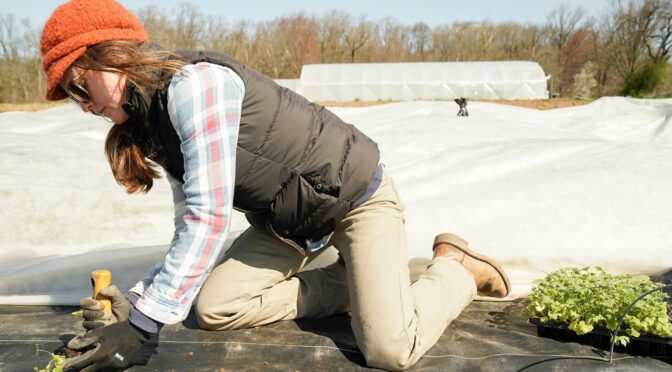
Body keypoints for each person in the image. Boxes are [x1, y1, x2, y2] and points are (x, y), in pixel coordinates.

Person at [40, 1, 511, 370]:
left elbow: (210, 216)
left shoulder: (193, 86)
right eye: (70, 98)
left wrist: (141, 327)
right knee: (212, 308)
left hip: (356, 200)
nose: (82, 105)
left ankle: (455, 269)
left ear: (112, 56)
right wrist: (143, 300)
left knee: (391, 349)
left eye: (79, 87)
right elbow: (189, 219)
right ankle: (360, 284)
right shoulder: (150, 123)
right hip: (292, 222)